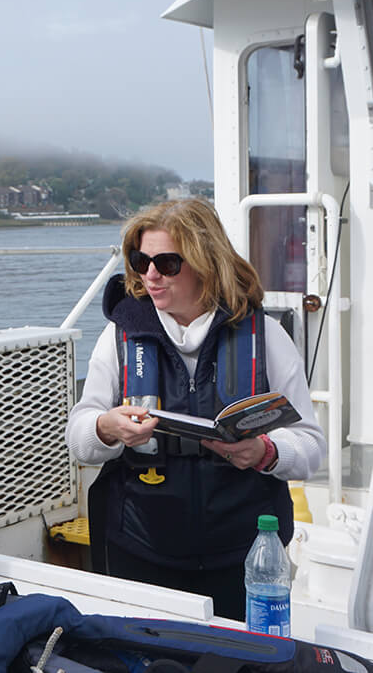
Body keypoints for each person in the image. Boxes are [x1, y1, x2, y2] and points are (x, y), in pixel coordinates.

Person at [65, 198, 326, 620]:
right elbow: (79, 439)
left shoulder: (266, 336)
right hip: (141, 548)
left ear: (206, 263)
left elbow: (311, 448)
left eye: (167, 263)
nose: (150, 274)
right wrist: (105, 428)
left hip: (243, 557)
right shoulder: (120, 337)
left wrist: (266, 452)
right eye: (140, 260)